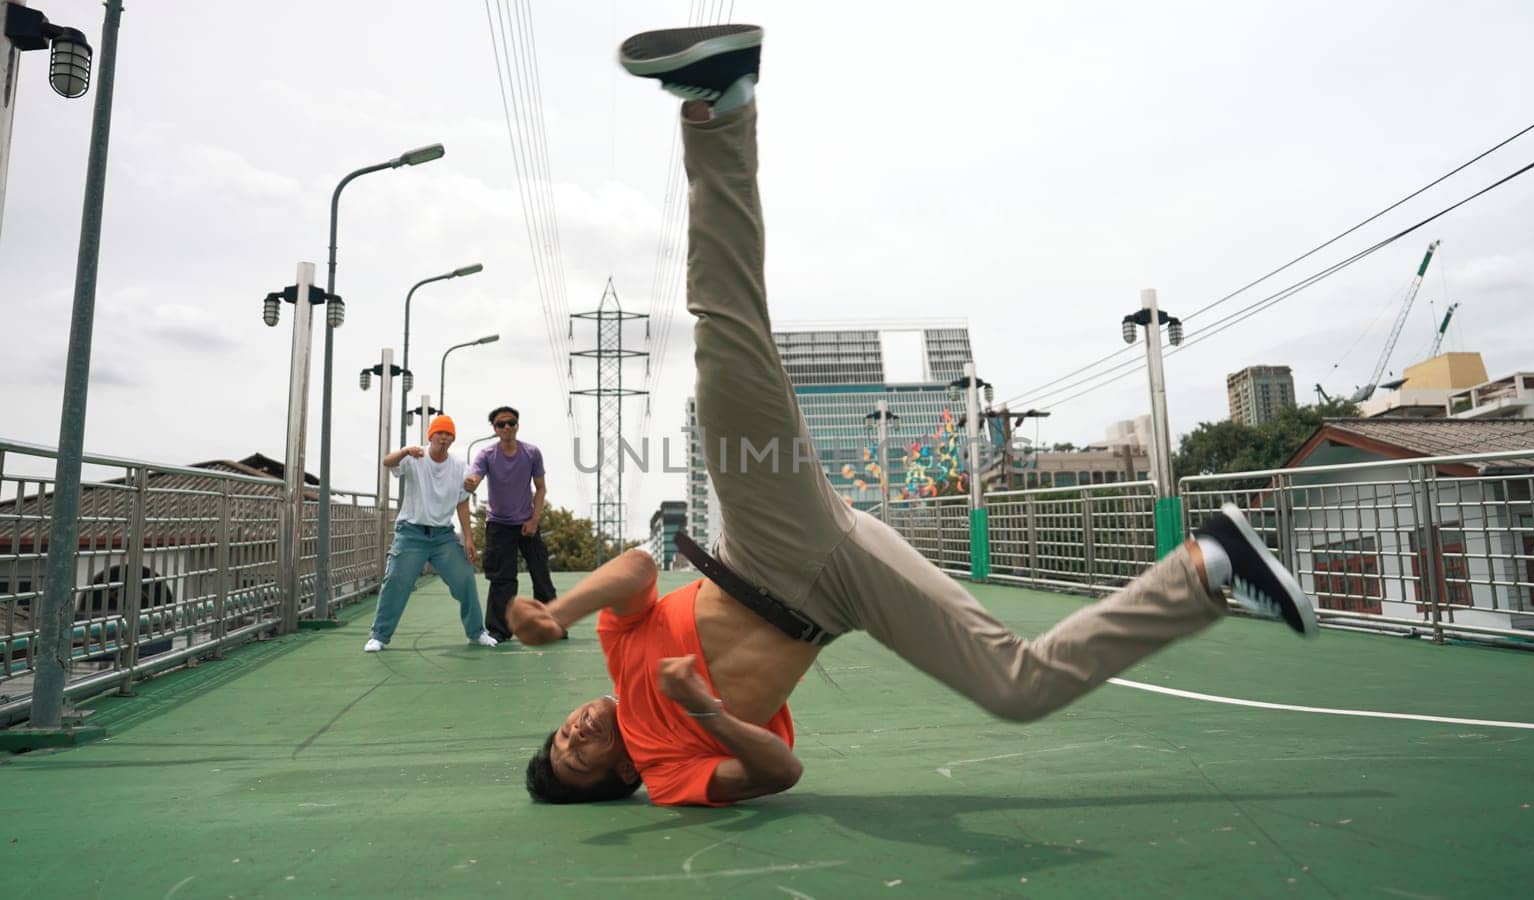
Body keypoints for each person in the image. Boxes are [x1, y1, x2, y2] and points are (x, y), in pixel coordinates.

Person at [508, 24, 1317, 807]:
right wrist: (704, 712)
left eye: (560, 734)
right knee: (1017, 686)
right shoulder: (671, 771)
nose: (575, 732)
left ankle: (723, 106)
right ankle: (1208, 566)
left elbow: (640, 573)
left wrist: (558, 609)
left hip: (764, 548)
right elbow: (778, 772)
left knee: (724, 333)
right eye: (579, 757)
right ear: (618, 779)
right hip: (836, 596)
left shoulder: (620, 652)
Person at [364, 414, 498, 652]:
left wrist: (468, 537)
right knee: (396, 581)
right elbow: (387, 462)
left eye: (449, 434)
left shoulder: (459, 466)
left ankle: (476, 632)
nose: (444, 438)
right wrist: (406, 450)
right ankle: (380, 636)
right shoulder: (416, 456)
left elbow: (462, 502)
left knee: (465, 579)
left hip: (443, 536)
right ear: (431, 435)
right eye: (440, 433)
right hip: (411, 532)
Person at [464, 405, 558, 642]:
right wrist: (471, 482)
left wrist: (534, 520)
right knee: (502, 579)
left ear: (517, 425)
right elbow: (475, 476)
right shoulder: (486, 455)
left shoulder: (531, 453)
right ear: (494, 429)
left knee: (541, 574)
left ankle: (552, 624)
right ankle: (498, 630)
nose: (507, 427)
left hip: (527, 523)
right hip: (498, 525)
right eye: (501, 424)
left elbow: (541, 488)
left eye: (511, 423)